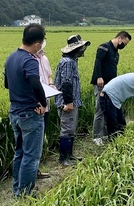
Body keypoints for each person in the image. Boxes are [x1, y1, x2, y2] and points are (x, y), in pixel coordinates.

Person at [4, 23, 47, 197]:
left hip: (15, 112)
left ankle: (17, 190)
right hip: (30, 113)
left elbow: (7, 84)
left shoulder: (11, 57)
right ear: (37, 45)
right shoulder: (29, 60)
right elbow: (36, 84)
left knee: (20, 153)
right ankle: (25, 195)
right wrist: (43, 104)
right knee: (31, 156)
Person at [54, 34, 90, 166]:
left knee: (71, 128)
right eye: (81, 48)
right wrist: (68, 102)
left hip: (72, 101)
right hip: (67, 102)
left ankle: (70, 155)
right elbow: (66, 83)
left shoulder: (71, 61)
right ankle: (64, 158)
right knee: (67, 129)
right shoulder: (68, 62)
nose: (82, 50)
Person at [90, 31, 132, 146]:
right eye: (124, 42)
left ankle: (104, 134)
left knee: (108, 110)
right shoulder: (104, 47)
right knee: (99, 110)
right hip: (101, 84)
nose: (124, 45)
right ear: (119, 38)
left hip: (110, 86)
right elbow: (97, 62)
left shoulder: (115, 53)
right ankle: (96, 136)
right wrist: (99, 77)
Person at [34, 39, 54, 179]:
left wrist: (51, 84)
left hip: (45, 103)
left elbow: (48, 75)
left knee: (40, 138)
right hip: (36, 106)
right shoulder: (29, 60)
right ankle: (32, 172)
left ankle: (36, 169)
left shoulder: (44, 58)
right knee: (33, 141)